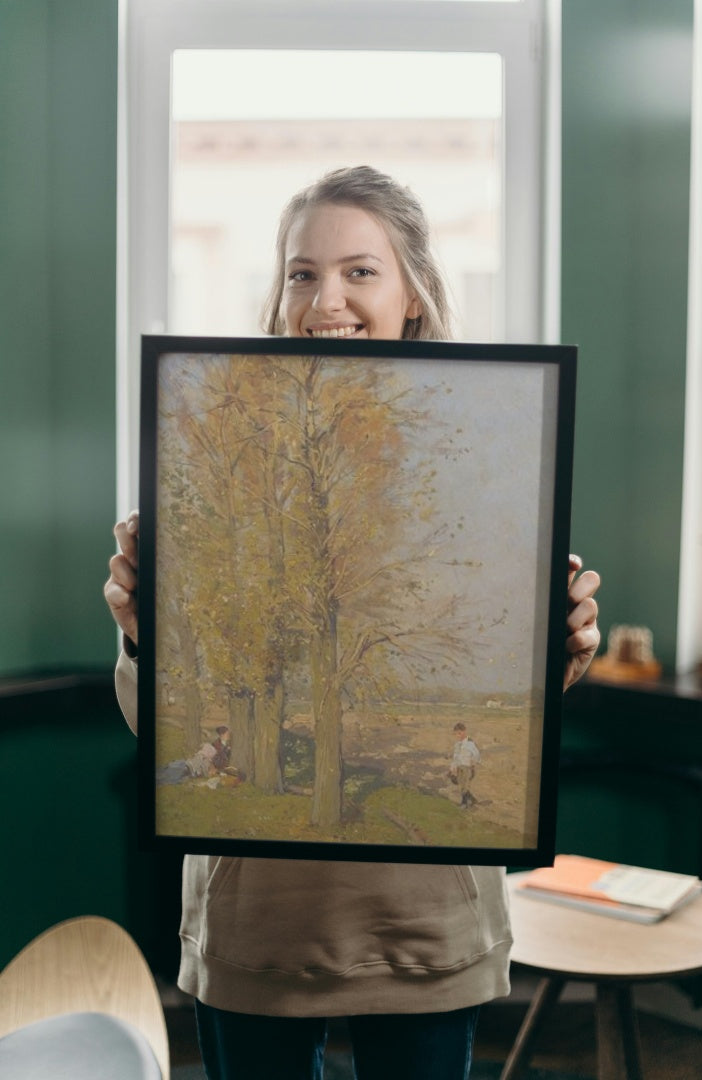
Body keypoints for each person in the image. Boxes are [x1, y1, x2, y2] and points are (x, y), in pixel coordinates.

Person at [105, 166, 601, 1080]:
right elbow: (166, 729)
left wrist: (557, 651)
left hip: (424, 926)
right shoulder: (215, 455)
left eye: (359, 271)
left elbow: (511, 708)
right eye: (301, 272)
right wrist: (144, 638)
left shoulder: (487, 451)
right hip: (257, 926)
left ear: (412, 293)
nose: (324, 298)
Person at [450, 722, 481, 809]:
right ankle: (472, 799)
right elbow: (455, 757)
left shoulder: (470, 744)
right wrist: (453, 768)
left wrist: (473, 763)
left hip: (467, 767)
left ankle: (464, 803)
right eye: (456, 734)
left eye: (460, 733)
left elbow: (476, 755)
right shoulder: (457, 745)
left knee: (464, 786)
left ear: (464, 732)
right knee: (461, 784)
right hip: (459, 767)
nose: (458, 735)